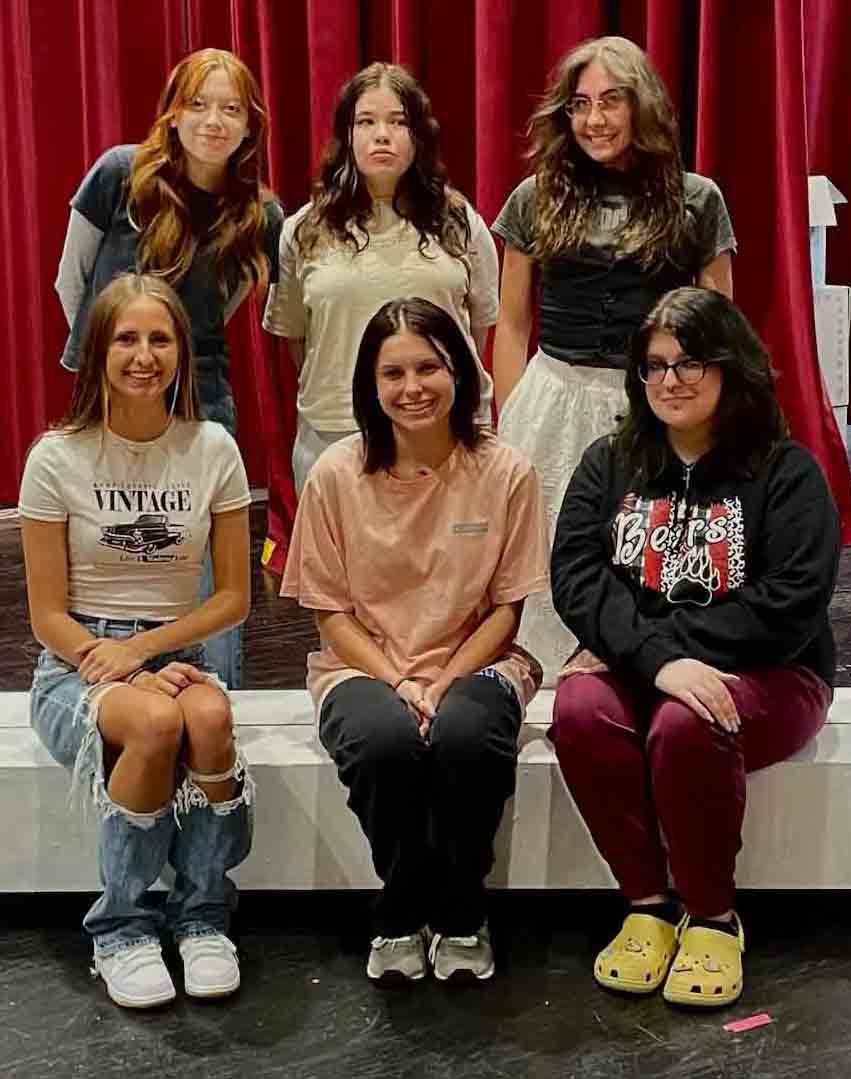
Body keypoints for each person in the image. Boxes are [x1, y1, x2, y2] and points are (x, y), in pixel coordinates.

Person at [549, 287, 839, 1007]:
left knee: (688, 719)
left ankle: (711, 914)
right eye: (652, 365)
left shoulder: (786, 471)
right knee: (580, 707)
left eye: (688, 362)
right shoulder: (606, 462)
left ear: (729, 366)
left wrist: (660, 654)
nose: (668, 380)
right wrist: (658, 660)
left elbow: (791, 603)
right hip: (647, 663)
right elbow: (576, 576)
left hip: (772, 670)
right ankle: (645, 904)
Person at [282, 297, 547, 983]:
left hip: (479, 658)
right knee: (382, 743)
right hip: (362, 665)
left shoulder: (506, 471)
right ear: (370, 386)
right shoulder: (336, 475)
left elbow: (504, 610)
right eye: (391, 373)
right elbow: (330, 614)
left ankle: (462, 914)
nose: (411, 388)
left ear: (458, 368)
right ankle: (399, 913)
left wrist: (441, 679)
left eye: (427, 367)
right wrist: (399, 682)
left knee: (464, 737)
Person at [20, 274, 254, 1009]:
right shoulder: (56, 457)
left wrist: (154, 652)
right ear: (97, 352)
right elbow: (46, 615)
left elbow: (233, 598)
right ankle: (121, 926)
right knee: (153, 722)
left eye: (160, 338)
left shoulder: (213, 447)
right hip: (78, 662)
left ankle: (202, 915)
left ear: (183, 353)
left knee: (209, 719)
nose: (144, 354)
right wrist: (118, 662)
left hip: (178, 649)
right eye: (126, 337)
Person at [492, 35, 736, 684]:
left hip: (652, 399)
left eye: (609, 101)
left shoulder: (696, 199)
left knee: (640, 547)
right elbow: (511, 321)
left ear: (641, 106)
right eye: (578, 104)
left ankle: (633, 671)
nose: (592, 119)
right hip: (551, 394)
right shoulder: (533, 197)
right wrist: (506, 418)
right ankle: (536, 685)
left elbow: (718, 330)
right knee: (542, 555)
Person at [55, 47, 284, 688]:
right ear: (174, 114)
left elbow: (227, 304)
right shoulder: (119, 174)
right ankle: (104, 690)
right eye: (200, 105)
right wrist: (110, 357)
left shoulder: (259, 214)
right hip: (108, 390)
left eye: (231, 109)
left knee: (207, 562)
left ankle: (217, 699)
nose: (214, 121)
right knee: (108, 544)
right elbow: (71, 282)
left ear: (248, 125)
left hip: (200, 397)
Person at [263, 62, 499, 508]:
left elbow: (480, 330)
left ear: (419, 136)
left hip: (446, 432)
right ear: (346, 135)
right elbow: (297, 340)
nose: (382, 135)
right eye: (366, 122)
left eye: (398, 121)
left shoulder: (461, 222)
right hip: (335, 432)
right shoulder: (302, 230)